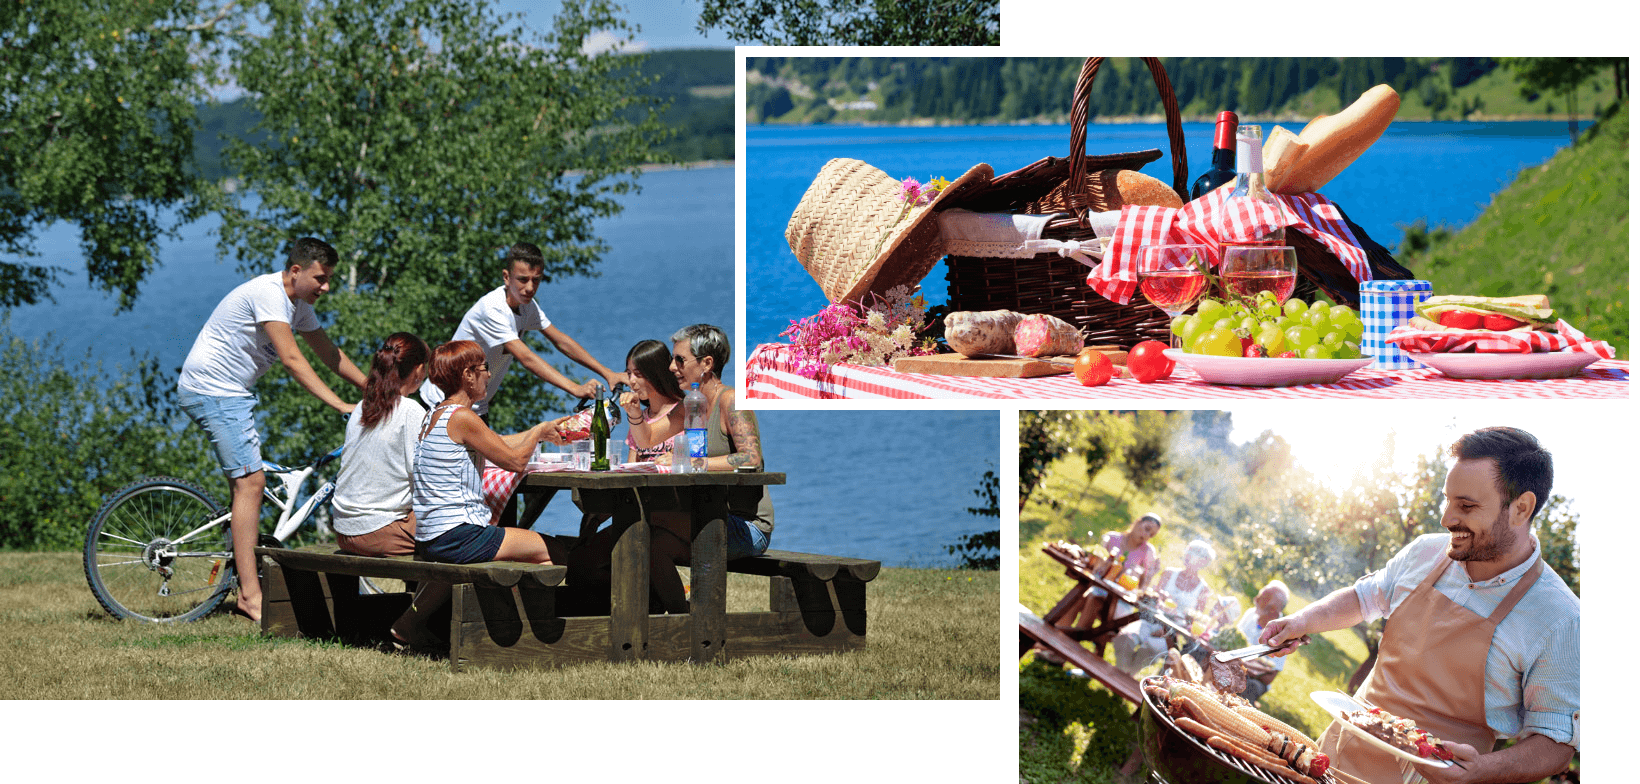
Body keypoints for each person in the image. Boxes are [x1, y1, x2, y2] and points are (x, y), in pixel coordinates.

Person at [1259, 427, 1578, 784]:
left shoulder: (1560, 618)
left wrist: (1482, 771)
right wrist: (1302, 621)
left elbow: (1555, 742)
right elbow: (1363, 598)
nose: (1446, 519)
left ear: (1521, 508)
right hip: (1333, 758)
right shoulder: (1425, 551)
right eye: (1448, 500)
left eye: (1466, 506)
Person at [177, 237, 365, 622]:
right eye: (320, 278)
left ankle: (246, 577)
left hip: (229, 393)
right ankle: (250, 596)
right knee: (251, 484)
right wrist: (341, 405)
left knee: (249, 483)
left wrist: (373, 389)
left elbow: (329, 353)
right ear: (296, 271)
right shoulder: (269, 295)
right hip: (215, 391)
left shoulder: (298, 304)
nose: (326, 287)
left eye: (329, 279)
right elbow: (294, 360)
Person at [419, 242, 625, 419]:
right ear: (506, 277)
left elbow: (561, 340)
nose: (530, 287)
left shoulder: (527, 306)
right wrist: (575, 388)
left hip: (475, 406)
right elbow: (526, 357)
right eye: (523, 279)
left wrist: (608, 373)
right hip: (440, 402)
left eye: (536, 280)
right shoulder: (492, 309)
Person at [412, 340, 571, 566]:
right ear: (468, 374)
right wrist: (537, 432)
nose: (489, 375)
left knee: (528, 554)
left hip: (431, 537)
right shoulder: (462, 417)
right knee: (555, 551)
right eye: (484, 368)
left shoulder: (436, 414)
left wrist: (543, 433)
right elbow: (515, 462)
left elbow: (496, 444)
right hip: (459, 536)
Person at [332, 332, 429, 558]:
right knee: (459, 534)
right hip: (379, 531)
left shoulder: (362, 406)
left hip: (344, 530)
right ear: (418, 370)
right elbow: (423, 476)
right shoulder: (410, 410)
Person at [1114, 539, 1216, 675]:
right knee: (1125, 637)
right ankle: (1122, 674)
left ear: (1203, 562)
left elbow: (1194, 621)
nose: (1187, 555)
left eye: (1193, 553)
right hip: (1150, 620)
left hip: (1171, 633)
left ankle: (1121, 676)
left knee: (1150, 649)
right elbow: (1152, 597)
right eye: (1188, 551)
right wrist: (1158, 597)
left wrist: (1168, 631)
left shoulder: (1203, 589)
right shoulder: (1169, 573)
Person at [617, 339, 686, 462]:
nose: (632, 381)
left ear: (657, 374)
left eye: (638, 374)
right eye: (629, 374)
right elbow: (631, 467)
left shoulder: (683, 411)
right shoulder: (638, 418)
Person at [1230, 580, 1291, 703]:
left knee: (1248, 687)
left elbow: (1269, 678)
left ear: (1273, 610)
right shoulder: (1251, 613)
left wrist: (1248, 669)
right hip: (1235, 665)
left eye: (1262, 598)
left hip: (1255, 679)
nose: (1256, 599)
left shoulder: (1283, 635)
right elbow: (1233, 642)